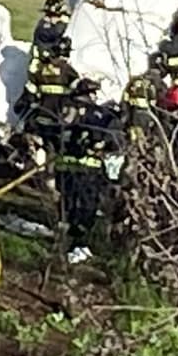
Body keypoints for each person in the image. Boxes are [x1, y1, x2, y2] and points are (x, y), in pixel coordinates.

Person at [53, 77, 123, 265]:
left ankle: (62, 244)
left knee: (66, 208)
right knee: (85, 210)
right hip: (88, 170)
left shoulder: (62, 111)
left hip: (64, 168)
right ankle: (77, 245)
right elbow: (115, 142)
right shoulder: (100, 115)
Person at [13, 36, 78, 181]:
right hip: (59, 120)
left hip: (40, 117)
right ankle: (51, 177)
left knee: (38, 147)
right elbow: (79, 93)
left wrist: (22, 106)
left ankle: (36, 174)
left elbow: (30, 93)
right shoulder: (68, 70)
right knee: (54, 151)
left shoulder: (41, 70)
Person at [30, 0, 71, 67]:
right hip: (46, 62)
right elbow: (41, 45)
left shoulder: (66, 25)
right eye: (49, 15)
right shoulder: (44, 27)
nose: (49, 18)